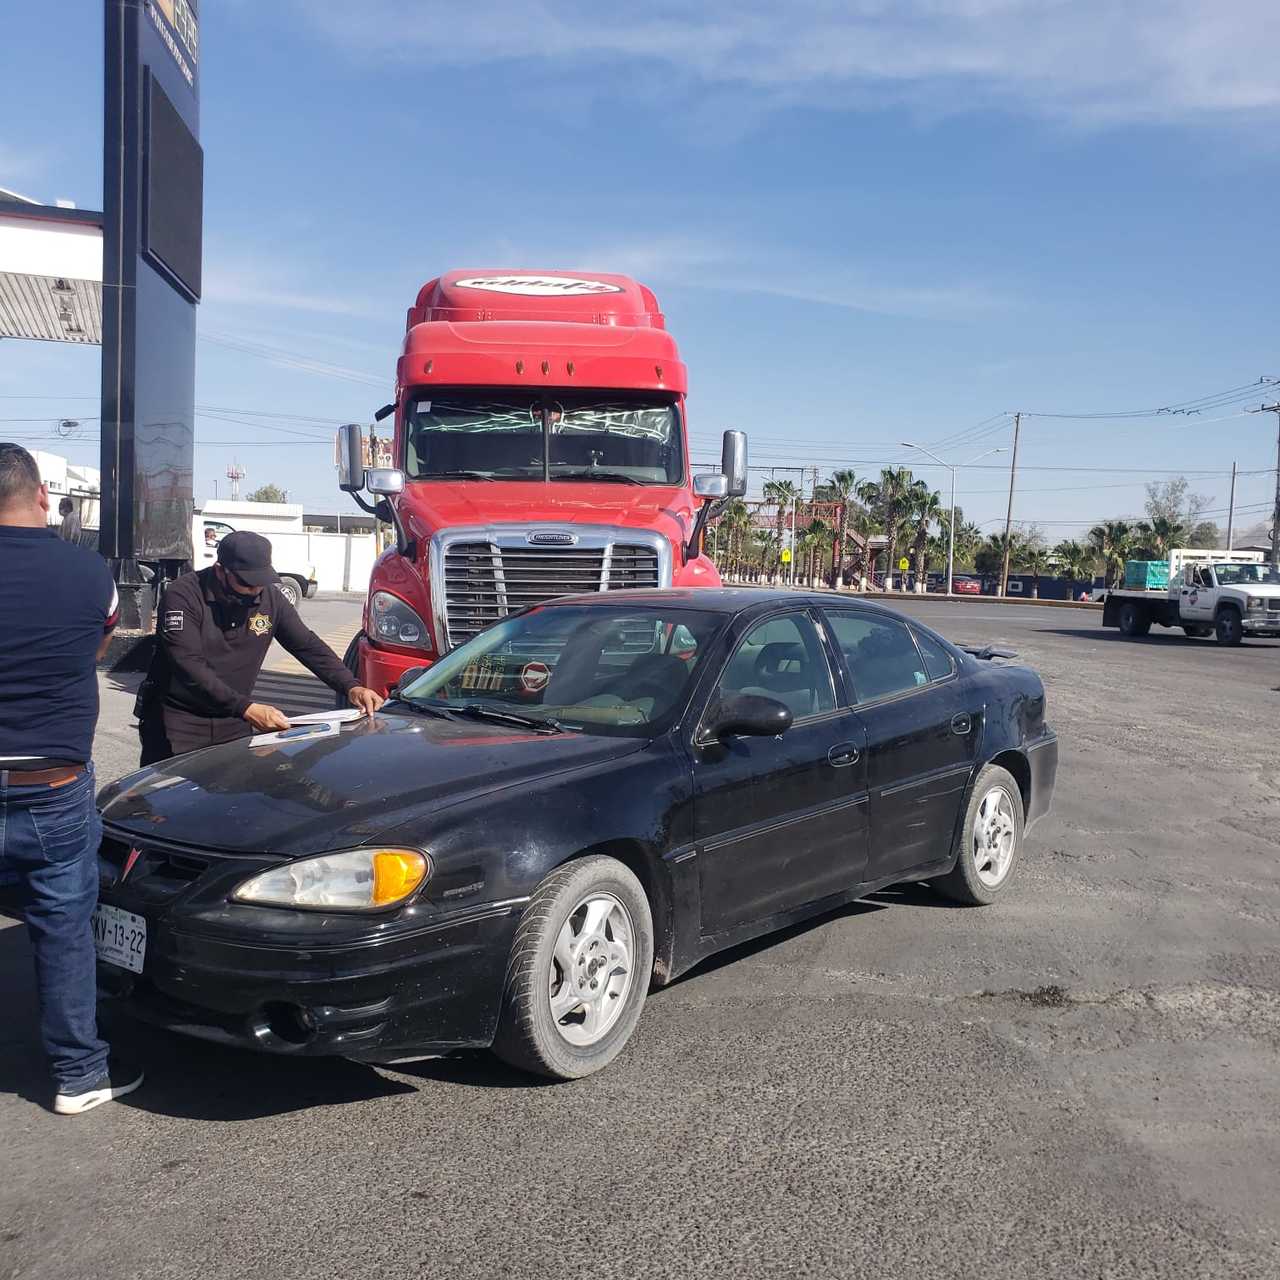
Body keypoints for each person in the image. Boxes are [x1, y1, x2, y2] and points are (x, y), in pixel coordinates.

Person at [0, 443, 143, 1115]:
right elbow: (92, 651)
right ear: (41, 497)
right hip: (50, 787)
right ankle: (79, 1075)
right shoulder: (91, 576)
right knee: (62, 928)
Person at [138, 530, 383, 764]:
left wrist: (351, 686)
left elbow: (307, 645)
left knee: (233, 795)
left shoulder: (270, 597)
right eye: (246, 583)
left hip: (233, 719)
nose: (255, 591)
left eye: (260, 582)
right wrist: (247, 708)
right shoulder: (183, 595)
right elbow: (188, 665)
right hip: (178, 720)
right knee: (166, 801)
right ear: (221, 571)